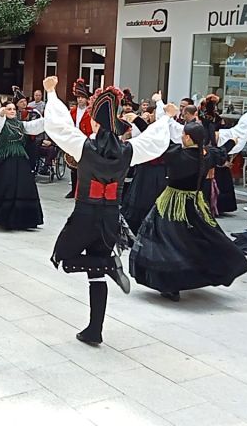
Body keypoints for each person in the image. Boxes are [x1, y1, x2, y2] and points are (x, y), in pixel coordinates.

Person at [42, 76, 172, 344]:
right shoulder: (128, 150)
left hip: (85, 215)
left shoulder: (84, 146)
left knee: (63, 259)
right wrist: (167, 118)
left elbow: (59, 126)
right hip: (111, 216)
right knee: (95, 276)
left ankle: (108, 265)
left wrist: (52, 93)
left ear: (97, 122)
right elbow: (154, 141)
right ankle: (94, 329)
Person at [130, 94, 247, 302]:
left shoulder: (176, 154)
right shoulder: (205, 156)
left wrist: (138, 120)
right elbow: (221, 152)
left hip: (171, 204)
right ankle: (216, 267)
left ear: (189, 138)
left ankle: (171, 283)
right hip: (194, 203)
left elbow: (151, 138)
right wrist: (232, 142)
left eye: (184, 134)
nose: (181, 136)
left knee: (167, 241)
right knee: (199, 237)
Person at [0, 99, 45, 230]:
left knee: (24, 186)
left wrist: (50, 119)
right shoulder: (1, 122)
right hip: (4, 157)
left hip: (20, 157)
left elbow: (34, 127)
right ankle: (2, 216)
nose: (12, 111)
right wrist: (1, 114)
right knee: (4, 185)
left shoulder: (20, 124)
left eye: (14, 109)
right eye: (9, 109)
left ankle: (24, 218)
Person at [121, 108, 168, 234]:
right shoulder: (156, 132)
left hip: (154, 173)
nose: (152, 115)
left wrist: (136, 119)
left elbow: (147, 131)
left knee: (146, 200)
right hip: (147, 171)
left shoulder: (163, 134)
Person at [197, 94, 237, 217]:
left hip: (213, 148)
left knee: (214, 181)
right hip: (209, 150)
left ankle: (210, 207)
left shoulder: (213, 120)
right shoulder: (202, 121)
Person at [65, 78, 92, 199]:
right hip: (74, 141)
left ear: (86, 98)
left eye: (82, 97)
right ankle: (73, 190)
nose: (80, 99)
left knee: (84, 168)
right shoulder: (72, 112)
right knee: (73, 167)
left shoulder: (90, 112)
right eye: (78, 97)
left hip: (86, 141)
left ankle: (82, 191)